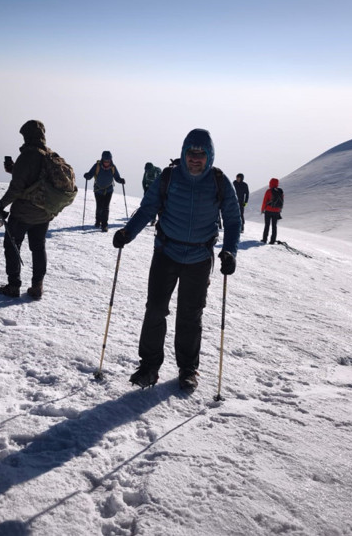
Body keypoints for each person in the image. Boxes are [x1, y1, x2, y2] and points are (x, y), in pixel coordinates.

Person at [112, 129, 241, 392]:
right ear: (183, 154)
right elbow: (148, 208)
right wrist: (128, 232)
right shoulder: (169, 177)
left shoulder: (219, 181)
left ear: (209, 156)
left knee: (190, 316)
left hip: (199, 257)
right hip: (166, 253)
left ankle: (188, 369)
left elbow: (232, 218)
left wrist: (230, 251)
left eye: (200, 154)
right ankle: (149, 366)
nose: (195, 159)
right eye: (190, 153)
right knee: (155, 309)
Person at [0, 120, 54, 300]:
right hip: (44, 213)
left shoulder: (28, 155)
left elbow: (17, 188)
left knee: (12, 245)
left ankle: (13, 286)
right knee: (38, 247)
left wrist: (0, 205)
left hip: (23, 213)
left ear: (27, 136)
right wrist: (14, 170)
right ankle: (37, 287)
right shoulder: (48, 155)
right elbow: (36, 178)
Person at [83, 151, 125, 232]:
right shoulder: (97, 166)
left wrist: (121, 180)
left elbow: (116, 177)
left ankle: (104, 225)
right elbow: (90, 174)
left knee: (105, 207)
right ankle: (98, 221)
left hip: (109, 190)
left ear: (110, 160)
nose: (106, 163)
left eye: (108, 161)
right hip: (98, 190)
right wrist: (87, 176)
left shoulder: (113, 167)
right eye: (105, 161)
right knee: (99, 207)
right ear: (102, 160)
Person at [261, 178, 284, 244]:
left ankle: (264, 239)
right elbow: (282, 201)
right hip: (276, 211)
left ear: (270, 183)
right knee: (274, 226)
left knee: (267, 225)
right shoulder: (280, 191)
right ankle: (272, 240)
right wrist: (279, 210)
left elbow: (265, 201)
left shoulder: (268, 191)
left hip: (268, 210)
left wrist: (262, 209)